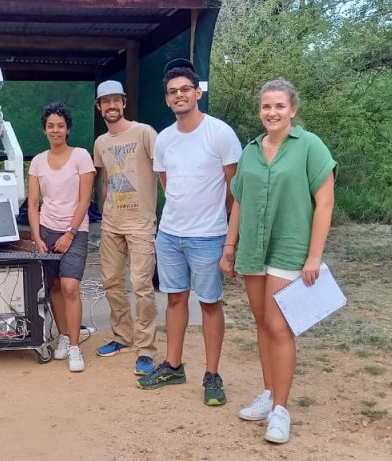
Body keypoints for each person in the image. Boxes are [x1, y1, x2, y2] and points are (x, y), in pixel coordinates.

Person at [222, 79, 336, 444]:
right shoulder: (251, 150)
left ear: (293, 110)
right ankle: (269, 393)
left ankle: (281, 411)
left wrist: (314, 255)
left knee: (278, 326)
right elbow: (239, 200)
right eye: (266, 107)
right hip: (254, 247)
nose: (272, 113)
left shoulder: (310, 146)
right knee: (260, 321)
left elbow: (325, 203)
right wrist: (230, 246)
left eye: (279, 107)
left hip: (290, 247)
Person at [136, 60, 242, 407]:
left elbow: (234, 187)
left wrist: (224, 232)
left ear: (197, 92)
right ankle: (173, 365)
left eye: (185, 89)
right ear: (167, 100)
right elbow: (168, 185)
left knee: (210, 304)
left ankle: (212, 375)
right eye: (172, 92)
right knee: (176, 299)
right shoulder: (164, 139)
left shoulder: (220, 133)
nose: (179, 95)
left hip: (208, 236)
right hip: (169, 234)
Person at [91, 80, 159, 376]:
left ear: (124, 102)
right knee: (111, 282)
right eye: (106, 102)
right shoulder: (101, 143)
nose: (111, 106)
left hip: (141, 223)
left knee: (143, 287)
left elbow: (163, 172)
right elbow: (105, 179)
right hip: (111, 223)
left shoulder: (145, 133)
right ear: (99, 107)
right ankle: (122, 336)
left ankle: (146, 349)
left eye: (116, 100)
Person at [28, 102, 96, 373]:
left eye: (60, 125)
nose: (55, 130)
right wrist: (37, 236)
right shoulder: (37, 161)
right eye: (50, 126)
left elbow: (85, 199)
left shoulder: (81, 156)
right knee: (54, 286)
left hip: (75, 231)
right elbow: (33, 203)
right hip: (46, 231)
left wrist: (70, 232)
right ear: (45, 130)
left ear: (68, 129)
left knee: (70, 286)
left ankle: (75, 347)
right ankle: (64, 336)